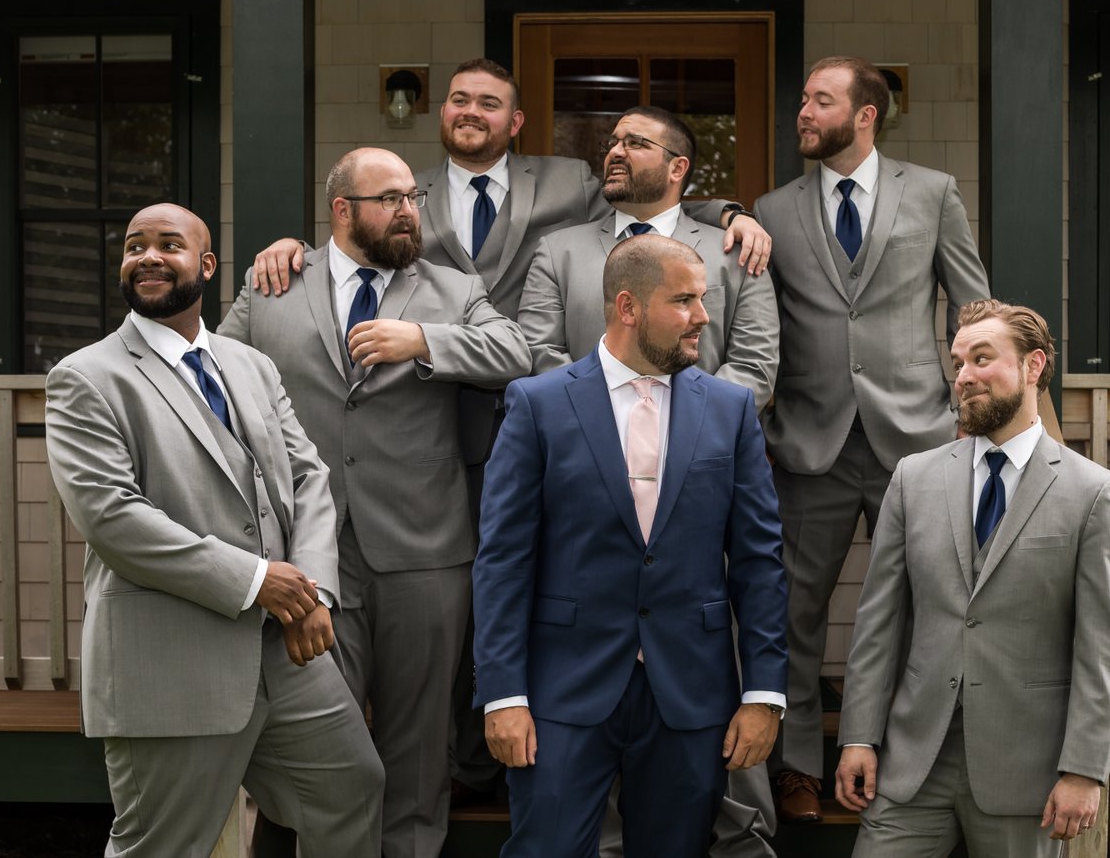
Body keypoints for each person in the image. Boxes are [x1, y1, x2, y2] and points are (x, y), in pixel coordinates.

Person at [246, 58, 774, 806]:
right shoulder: (404, 201)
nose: (470, 111)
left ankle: (706, 805)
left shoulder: (571, 183)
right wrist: (290, 250)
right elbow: (524, 339)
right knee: (484, 604)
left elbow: (656, 198)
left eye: (489, 102)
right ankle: (484, 761)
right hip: (476, 455)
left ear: (516, 121)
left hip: (520, 473)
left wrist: (732, 213)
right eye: (458, 98)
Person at [217, 147, 531, 858]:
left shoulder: (454, 288)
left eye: (412, 197)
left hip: (426, 551)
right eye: (389, 199)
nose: (408, 211)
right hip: (308, 557)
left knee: (418, 746)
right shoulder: (272, 285)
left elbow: (518, 351)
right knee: (310, 741)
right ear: (342, 210)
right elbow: (216, 381)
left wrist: (423, 340)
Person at [44, 203, 383, 856]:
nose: (147, 256)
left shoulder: (250, 364)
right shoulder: (86, 378)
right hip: (172, 659)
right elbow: (113, 517)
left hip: (287, 653)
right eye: (134, 246)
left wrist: (309, 591)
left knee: (354, 791)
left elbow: (308, 478)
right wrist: (258, 582)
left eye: (168, 244)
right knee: (164, 845)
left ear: (205, 266)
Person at [473, 235, 789, 858]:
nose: (703, 316)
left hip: (689, 690)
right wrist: (502, 695)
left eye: (703, 299)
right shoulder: (538, 404)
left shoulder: (729, 410)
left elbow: (760, 563)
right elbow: (503, 562)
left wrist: (763, 694)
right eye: (684, 300)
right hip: (562, 691)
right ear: (628, 307)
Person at [753, 55, 991, 820]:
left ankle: (899, 760)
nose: (803, 112)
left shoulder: (933, 192)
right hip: (807, 441)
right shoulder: (772, 209)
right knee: (793, 610)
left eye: (820, 100)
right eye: (802, 99)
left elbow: (972, 309)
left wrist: (972, 409)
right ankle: (797, 769)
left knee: (923, 607)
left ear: (865, 115)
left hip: (917, 440)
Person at [833, 298, 1110, 857]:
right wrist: (859, 736)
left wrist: (1085, 770)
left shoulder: (1091, 494)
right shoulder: (913, 480)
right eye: (958, 363)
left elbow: (1103, 649)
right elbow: (879, 624)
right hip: (913, 763)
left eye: (982, 358)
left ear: (1033, 365)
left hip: (1026, 772)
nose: (964, 376)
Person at [520, 104, 778, 413]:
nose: (615, 152)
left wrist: (688, 424)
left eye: (635, 143)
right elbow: (541, 350)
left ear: (677, 168)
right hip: (585, 428)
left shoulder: (738, 254)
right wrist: (601, 419)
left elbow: (753, 364)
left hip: (700, 432)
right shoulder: (557, 252)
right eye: (612, 143)